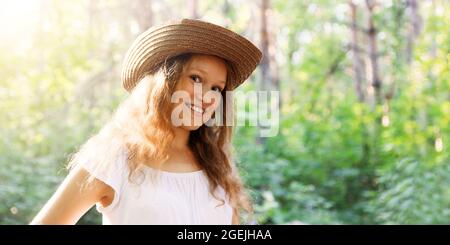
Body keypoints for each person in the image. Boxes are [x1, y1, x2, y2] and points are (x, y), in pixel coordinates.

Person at [30, 18, 262, 225]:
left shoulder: (217, 162)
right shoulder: (114, 158)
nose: (207, 97)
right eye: (196, 78)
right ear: (164, 82)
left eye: (216, 88)